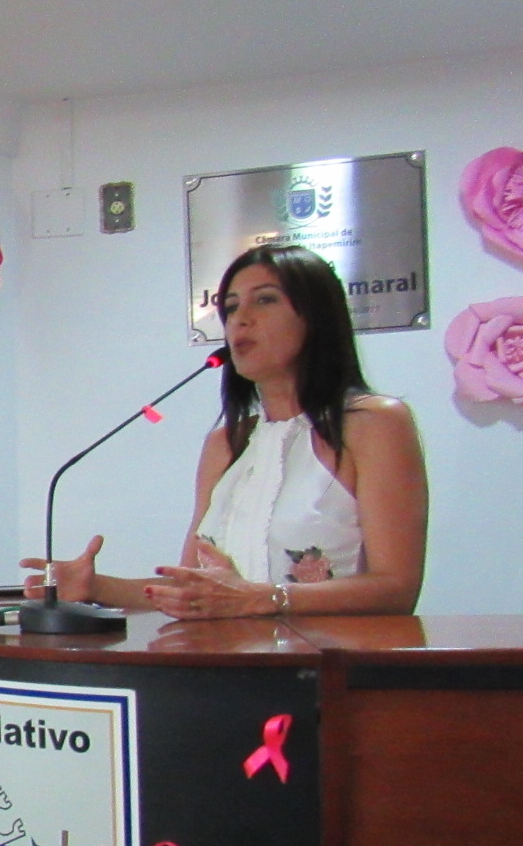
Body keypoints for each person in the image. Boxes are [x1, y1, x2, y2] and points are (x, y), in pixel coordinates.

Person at [22, 243, 429, 619]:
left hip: (327, 672)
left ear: (316, 317)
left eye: (265, 300)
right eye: (231, 308)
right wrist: (95, 586)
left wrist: (259, 599)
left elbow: (397, 588)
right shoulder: (225, 444)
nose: (241, 320)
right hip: (224, 667)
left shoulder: (375, 423)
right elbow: (191, 588)